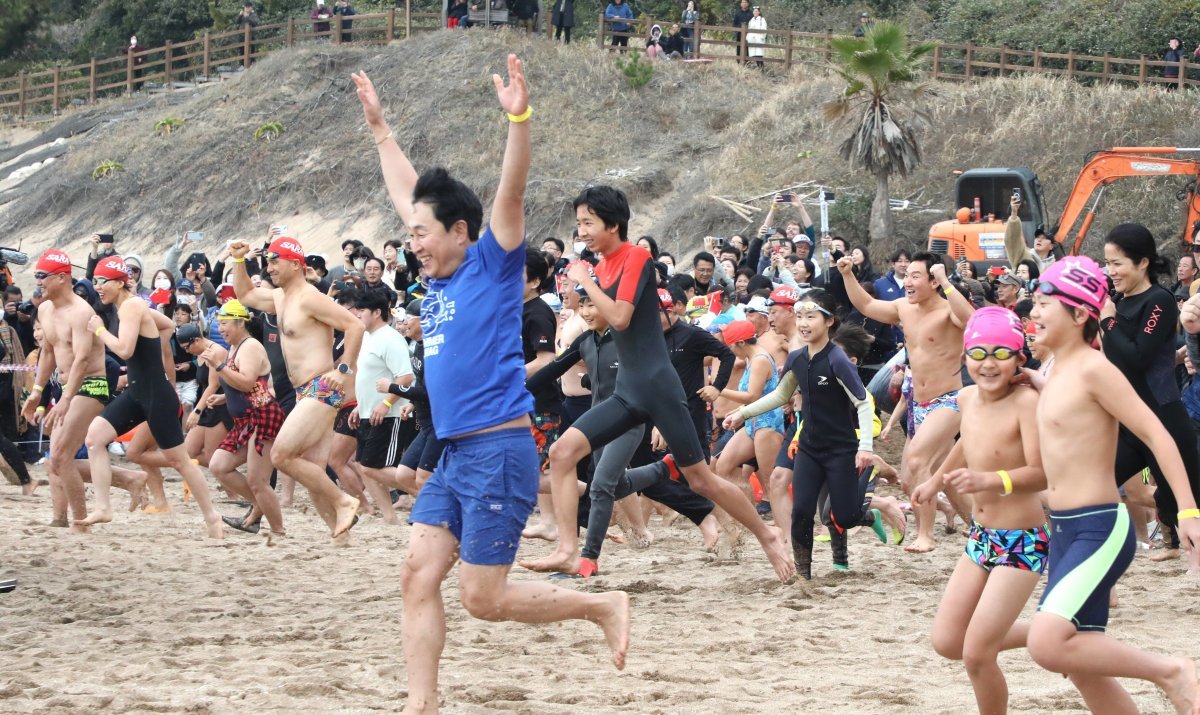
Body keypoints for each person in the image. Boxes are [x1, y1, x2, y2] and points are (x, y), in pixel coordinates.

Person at [353, 54, 631, 710]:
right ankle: (422, 702)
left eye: (423, 232)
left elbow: (512, 188)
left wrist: (519, 120)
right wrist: (380, 130)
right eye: (411, 234)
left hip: (497, 452)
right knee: (416, 572)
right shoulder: (439, 279)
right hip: (454, 454)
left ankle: (599, 606)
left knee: (484, 598)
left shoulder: (492, 264)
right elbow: (407, 195)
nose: (412, 241)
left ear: (459, 231)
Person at [521, 185, 794, 581]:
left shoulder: (635, 257)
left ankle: (766, 535)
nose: (580, 231)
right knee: (563, 454)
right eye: (578, 223)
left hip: (659, 386)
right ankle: (568, 549)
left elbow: (619, 317)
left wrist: (585, 278)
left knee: (701, 478)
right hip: (629, 389)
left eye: (587, 222)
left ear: (613, 224)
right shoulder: (602, 266)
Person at [1024, 255, 1200, 714]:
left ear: (1080, 314)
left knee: (1046, 644)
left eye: (1045, 304)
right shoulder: (1057, 369)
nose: (1034, 313)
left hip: (1098, 528)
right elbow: (1069, 412)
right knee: (1082, 664)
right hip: (1063, 530)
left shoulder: (1096, 369)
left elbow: (1158, 435)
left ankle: (1172, 671)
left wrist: (1188, 510)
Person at [914, 307, 1047, 714]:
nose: (988, 363)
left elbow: (1042, 474)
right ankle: (1046, 633)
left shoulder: (1026, 403)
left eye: (1002, 354)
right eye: (979, 353)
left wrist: (992, 480)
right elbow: (966, 443)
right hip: (981, 538)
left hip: (1022, 543)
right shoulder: (967, 397)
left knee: (976, 655)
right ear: (965, 356)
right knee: (948, 642)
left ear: (1019, 359)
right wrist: (936, 480)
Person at [727, 289, 884, 578]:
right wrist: (742, 413)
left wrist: (864, 448)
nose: (803, 322)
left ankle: (870, 498)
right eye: (799, 316)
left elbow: (862, 402)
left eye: (811, 316)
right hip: (809, 447)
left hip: (841, 450)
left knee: (846, 516)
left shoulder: (837, 360)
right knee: (801, 512)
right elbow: (779, 395)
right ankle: (804, 576)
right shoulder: (798, 358)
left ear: (829, 321)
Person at [229, 234, 365, 539]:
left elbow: (355, 325)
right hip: (305, 390)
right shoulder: (280, 297)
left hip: (322, 386)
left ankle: (344, 501)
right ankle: (342, 539)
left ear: (295, 263)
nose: (270, 266)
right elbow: (246, 295)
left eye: (275, 260)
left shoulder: (310, 297)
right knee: (312, 469)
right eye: (268, 261)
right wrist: (239, 260)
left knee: (282, 456)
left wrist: (343, 369)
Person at [840, 252, 975, 553]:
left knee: (918, 462)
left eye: (916, 276)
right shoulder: (903, 308)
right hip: (918, 404)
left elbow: (971, 320)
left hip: (949, 400)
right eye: (907, 276)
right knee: (929, 478)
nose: (908, 282)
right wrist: (848, 274)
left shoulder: (947, 310)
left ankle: (926, 534)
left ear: (933, 281)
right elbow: (866, 305)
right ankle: (980, 527)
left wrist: (946, 282)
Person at [80, 256, 224, 538]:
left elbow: (122, 349)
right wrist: (160, 359)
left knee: (179, 460)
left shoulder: (132, 306)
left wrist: (98, 329)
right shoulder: (132, 306)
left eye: (102, 281)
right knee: (94, 438)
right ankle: (103, 507)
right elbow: (167, 326)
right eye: (95, 280)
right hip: (137, 391)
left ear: (120, 282)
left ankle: (212, 516)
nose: (97, 287)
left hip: (156, 395)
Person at [1099, 224, 1200, 562]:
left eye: (1118, 263)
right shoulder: (1118, 301)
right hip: (1127, 419)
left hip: (1162, 414)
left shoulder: (1160, 300)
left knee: (1187, 489)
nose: (1111, 271)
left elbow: (1138, 357)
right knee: (1097, 481)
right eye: (1107, 263)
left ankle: (1177, 547)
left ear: (1142, 262)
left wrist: (1108, 323)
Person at [21, 250, 116, 529]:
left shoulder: (82, 311)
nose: (37, 281)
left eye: (42, 276)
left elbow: (83, 359)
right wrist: (38, 391)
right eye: (36, 275)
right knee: (55, 461)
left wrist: (66, 399)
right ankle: (62, 518)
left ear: (61, 278)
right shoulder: (45, 309)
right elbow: (48, 352)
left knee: (61, 455)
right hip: (67, 388)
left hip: (92, 384)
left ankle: (80, 523)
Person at [199, 300, 286, 536]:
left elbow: (248, 381)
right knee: (219, 465)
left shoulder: (250, 346)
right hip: (245, 420)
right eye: (219, 324)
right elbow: (248, 386)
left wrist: (218, 366)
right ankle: (259, 506)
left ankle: (278, 531)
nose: (221, 329)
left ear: (240, 323)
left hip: (262, 417)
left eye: (225, 323)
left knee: (258, 481)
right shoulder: (236, 347)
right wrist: (223, 398)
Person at [350, 289, 413, 526]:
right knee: (365, 466)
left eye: (362, 311)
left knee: (375, 467)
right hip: (368, 411)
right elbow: (367, 377)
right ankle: (389, 516)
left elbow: (405, 378)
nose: (357, 315)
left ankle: (430, 494)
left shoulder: (390, 338)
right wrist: (359, 406)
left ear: (377, 312)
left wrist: (386, 404)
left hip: (391, 413)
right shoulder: (368, 337)